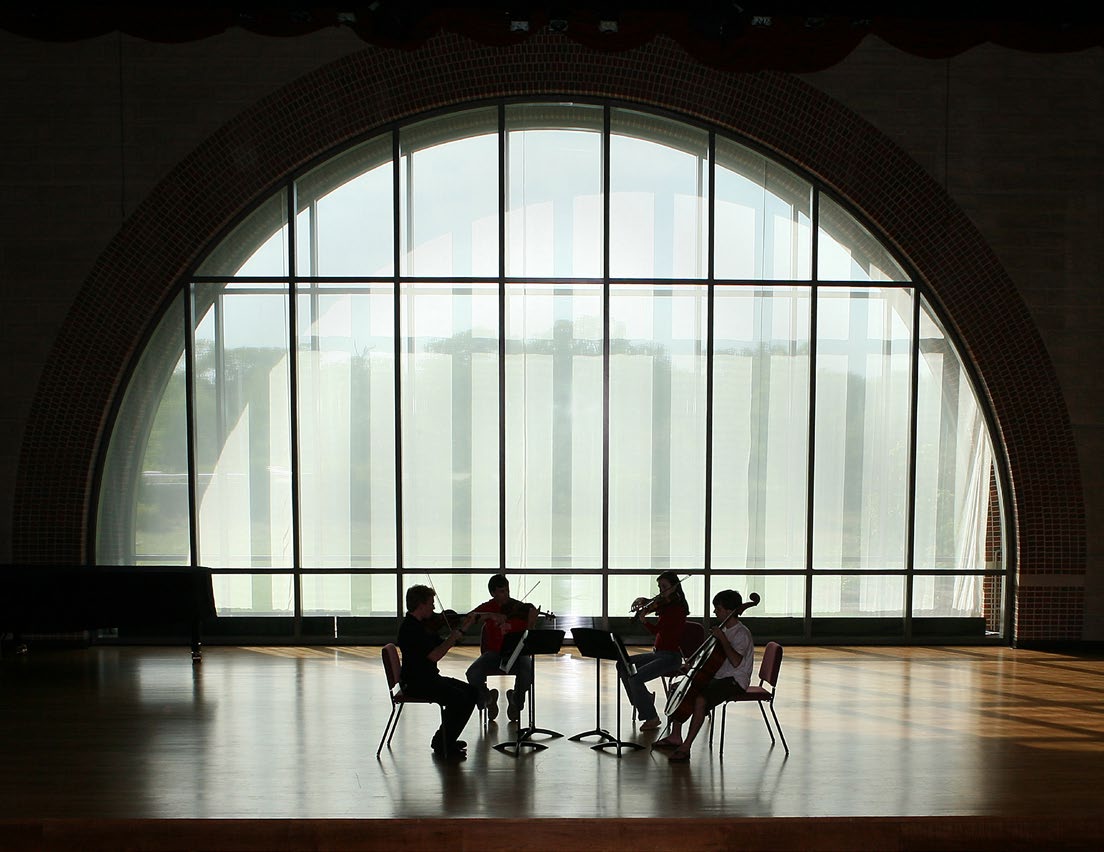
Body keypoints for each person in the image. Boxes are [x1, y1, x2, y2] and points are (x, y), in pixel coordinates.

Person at [653, 589, 755, 763]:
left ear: (730, 611)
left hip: (735, 680)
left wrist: (722, 638)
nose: (715, 612)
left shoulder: (741, 634)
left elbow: (736, 661)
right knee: (678, 688)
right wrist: (692, 665)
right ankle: (675, 736)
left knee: (700, 700)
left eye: (718, 608)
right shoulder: (723, 629)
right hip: (719, 675)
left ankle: (686, 747)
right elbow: (712, 658)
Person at [396, 584, 485, 760]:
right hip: (416, 683)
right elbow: (435, 655)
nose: (434, 607)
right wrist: (455, 634)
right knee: (458, 699)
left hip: (427, 678)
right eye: (431, 603)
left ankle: (445, 739)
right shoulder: (411, 629)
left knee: (472, 692)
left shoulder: (422, 626)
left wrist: (462, 629)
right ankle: (444, 744)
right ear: (421, 605)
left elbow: (441, 644)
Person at [618, 570, 689, 731]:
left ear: (675, 587)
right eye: (659, 587)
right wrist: (646, 603)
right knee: (622, 664)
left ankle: (651, 717)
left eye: (664, 586)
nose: (661, 591)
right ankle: (644, 699)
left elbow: (658, 630)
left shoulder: (677, 608)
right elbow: (657, 606)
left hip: (671, 658)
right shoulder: (667, 605)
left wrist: (644, 620)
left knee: (635, 679)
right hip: (659, 654)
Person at [465, 574, 537, 723]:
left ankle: (516, 700)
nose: (506, 595)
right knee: (472, 673)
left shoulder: (517, 608)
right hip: (494, 654)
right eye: (502, 592)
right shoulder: (488, 606)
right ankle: (488, 698)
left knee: (528, 671)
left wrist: (518, 624)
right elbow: (470, 617)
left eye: (507, 591)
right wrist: (491, 615)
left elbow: (528, 629)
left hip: (517, 654)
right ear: (493, 593)